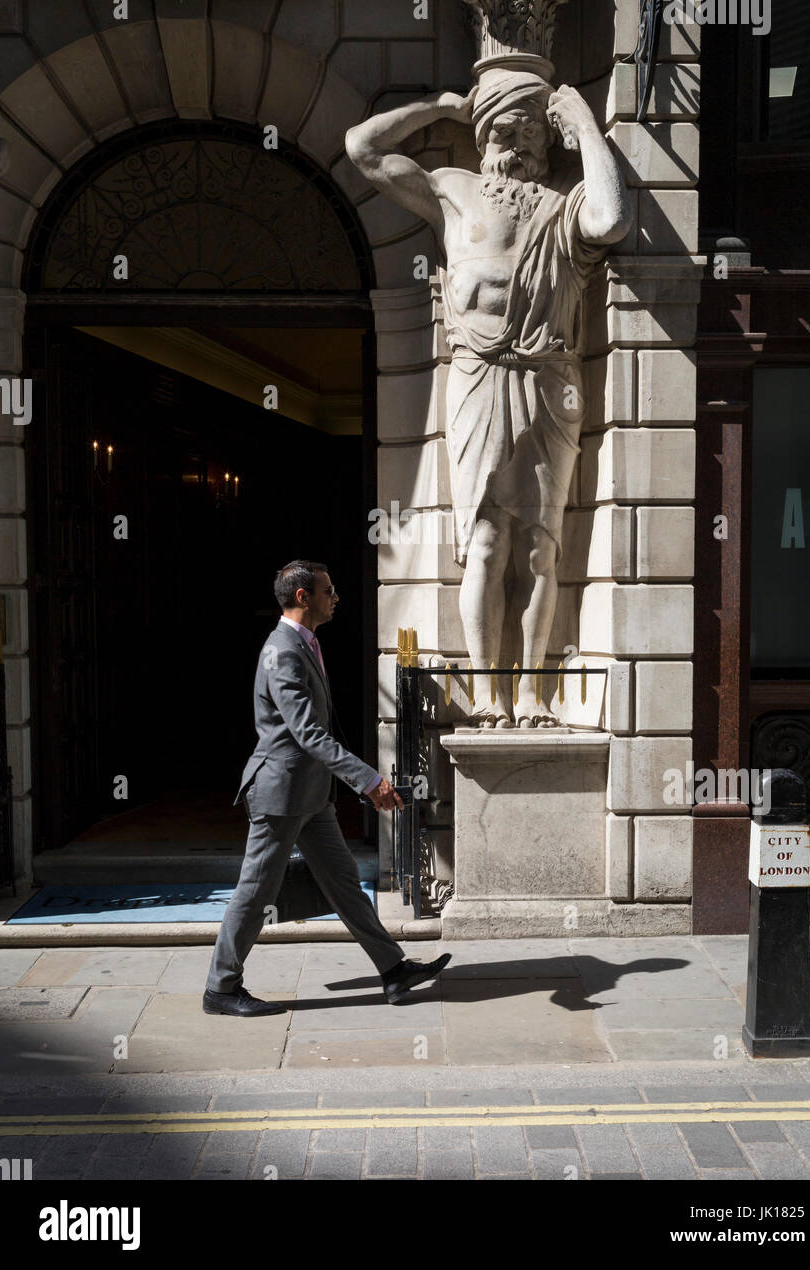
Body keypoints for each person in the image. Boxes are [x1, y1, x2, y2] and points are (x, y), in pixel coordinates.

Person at [345, 75, 632, 726]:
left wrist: (584, 124)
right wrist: (438, 109)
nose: (520, 136)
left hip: (548, 381)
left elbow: (614, 218)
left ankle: (532, 692)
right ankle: (486, 691)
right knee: (483, 541)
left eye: (534, 125)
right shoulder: (452, 189)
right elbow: (361, 148)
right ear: (483, 133)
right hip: (476, 382)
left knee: (539, 546)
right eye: (507, 124)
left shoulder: (565, 206)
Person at [203, 559, 451, 1015]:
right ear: (303, 597)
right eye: (328, 591)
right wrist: (369, 780)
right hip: (281, 794)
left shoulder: (306, 644)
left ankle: (394, 971)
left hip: (310, 795)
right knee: (255, 893)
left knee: (345, 886)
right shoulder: (282, 650)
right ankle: (221, 988)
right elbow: (306, 733)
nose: (335, 598)